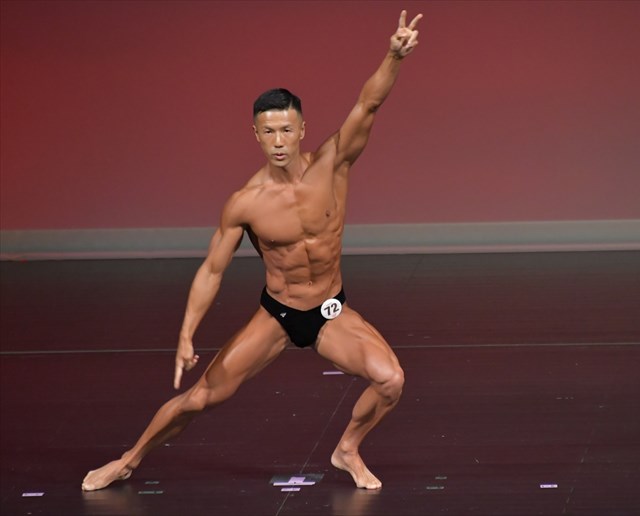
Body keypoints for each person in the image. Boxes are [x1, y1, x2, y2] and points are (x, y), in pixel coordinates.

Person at [81, 10, 422, 492]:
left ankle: (347, 449)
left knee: (391, 380)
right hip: (278, 314)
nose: (278, 142)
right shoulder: (245, 203)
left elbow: (368, 104)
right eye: (269, 132)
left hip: (329, 311)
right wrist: (186, 334)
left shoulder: (333, 164)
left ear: (301, 130)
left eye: (286, 130)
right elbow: (212, 270)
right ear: (256, 135)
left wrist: (394, 55)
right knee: (201, 398)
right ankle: (128, 460)